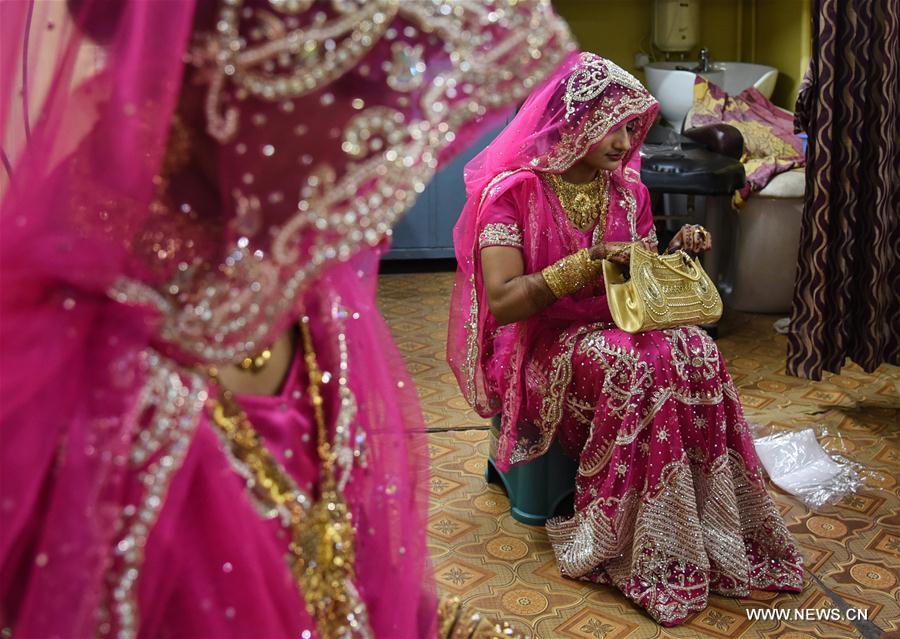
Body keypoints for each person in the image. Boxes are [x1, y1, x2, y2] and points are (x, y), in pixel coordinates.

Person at [0, 1, 573, 637]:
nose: (382, 145)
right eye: (353, 86)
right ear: (229, 80)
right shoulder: (81, 388)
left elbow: (339, 567)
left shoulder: (296, 290)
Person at [447, 52, 804, 626]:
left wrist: (672, 255)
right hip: (544, 339)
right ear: (574, 120)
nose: (624, 140)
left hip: (620, 323)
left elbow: (635, 283)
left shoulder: (627, 193)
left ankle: (704, 522)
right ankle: (627, 529)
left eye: (631, 125)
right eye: (611, 125)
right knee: (634, 368)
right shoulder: (513, 194)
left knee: (698, 350)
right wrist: (586, 263)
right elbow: (507, 300)